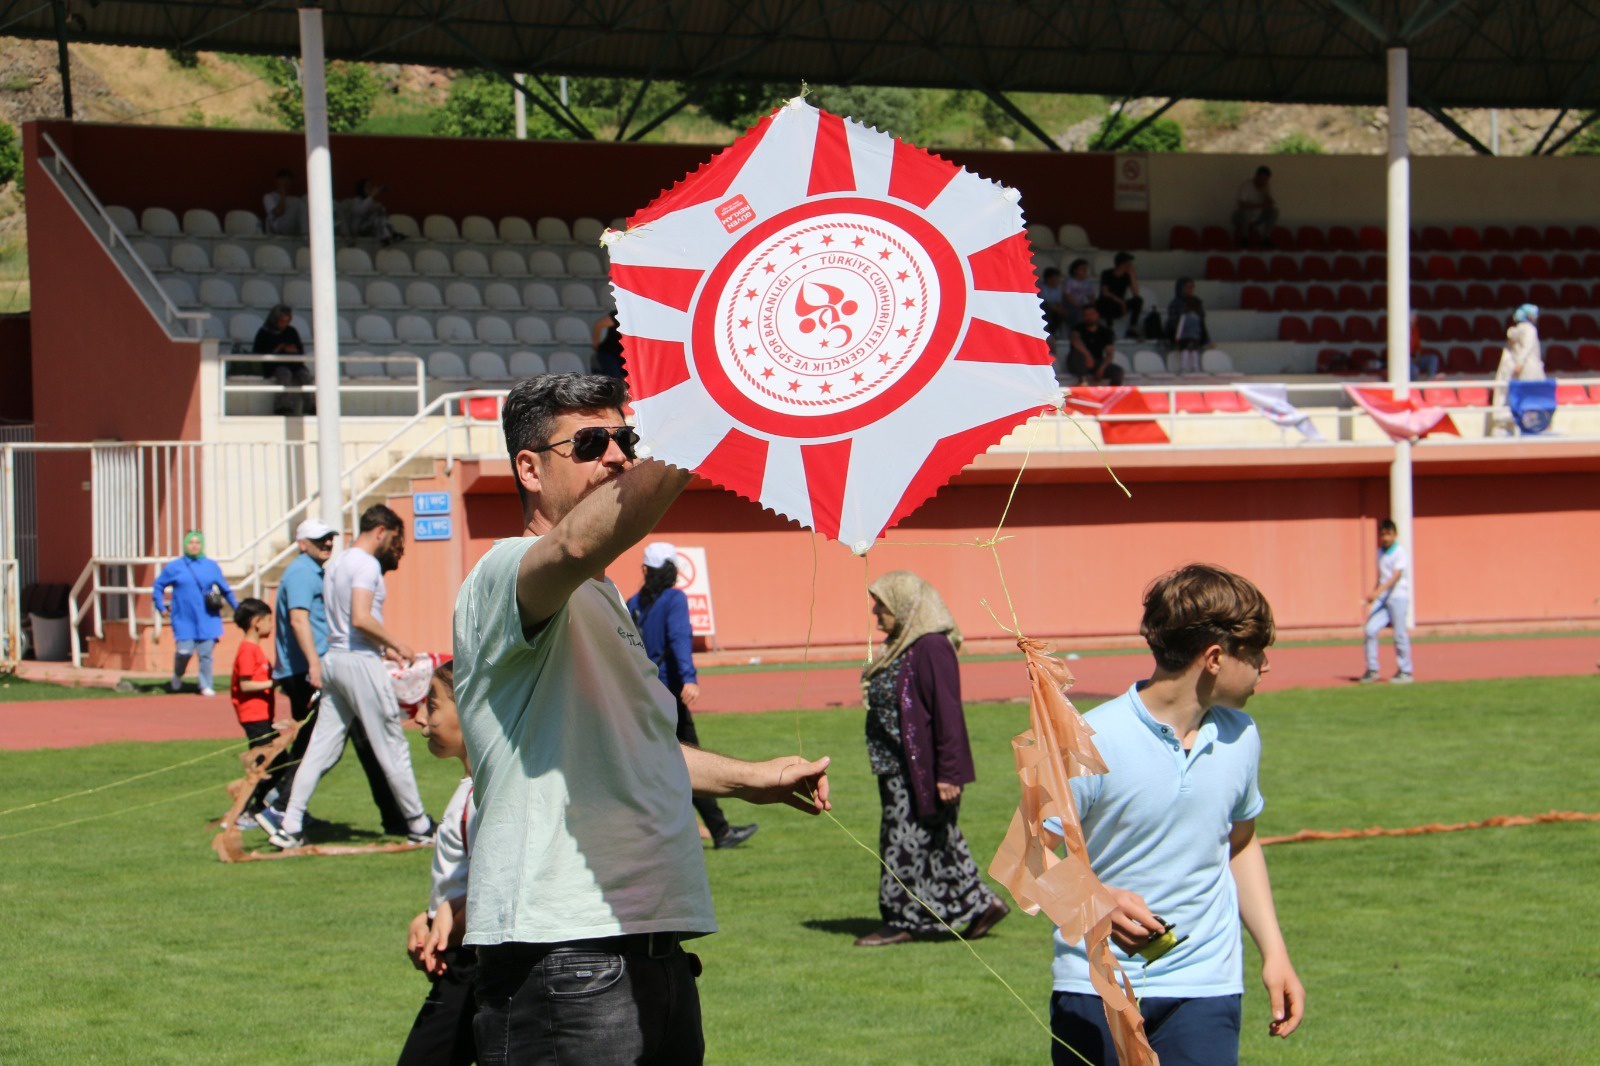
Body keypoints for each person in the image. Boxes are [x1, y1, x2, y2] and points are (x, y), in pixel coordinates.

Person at [453, 373, 831, 1064]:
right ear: (529, 469)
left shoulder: (601, 597)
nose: (618, 456)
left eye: (626, 440)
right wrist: (714, 417)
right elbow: (573, 546)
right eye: (589, 444)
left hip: (648, 948)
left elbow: (634, 746)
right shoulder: (504, 569)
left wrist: (752, 778)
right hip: (564, 952)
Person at [1049, 564, 1304, 1065]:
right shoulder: (1089, 738)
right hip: (1096, 986)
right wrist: (1093, 900)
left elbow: (1240, 843)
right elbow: (1028, 856)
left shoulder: (1242, 736)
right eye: (1255, 652)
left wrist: (1275, 953)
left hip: (1206, 988)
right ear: (1215, 658)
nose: (1266, 666)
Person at [853, 571, 1008, 948]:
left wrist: (949, 774)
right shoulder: (901, 646)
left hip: (921, 772)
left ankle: (902, 919)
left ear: (905, 605)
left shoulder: (932, 647)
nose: (875, 612)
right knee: (936, 843)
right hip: (898, 770)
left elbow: (947, 713)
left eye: (881, 604)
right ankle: (979, 905)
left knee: (902, 843)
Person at [265, 505, 434, 849]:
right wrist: (396, 644)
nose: (393, 546)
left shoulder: (336, 563)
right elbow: (360, 617)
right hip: (358, 662)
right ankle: (419, 824)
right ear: (381, 531)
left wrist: (383, 647)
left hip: (335, 659)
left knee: (320, 748)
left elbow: (347, 622)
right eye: (394, 538)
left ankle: (290, 824)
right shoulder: (366, 564)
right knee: (392, 743)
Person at [629, 541, 758, 851]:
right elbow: (679, 638)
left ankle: (707, 829)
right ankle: (718, 832)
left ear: (645, 569)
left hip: (644, 693)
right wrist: (689, 677)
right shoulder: (674, 599)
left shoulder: (633, 603)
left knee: (661, 762)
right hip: (670, 693)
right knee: (690, 762)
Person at [400, 660, 479, 1066]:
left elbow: (491, 891)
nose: (419, 719)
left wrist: (441, 927)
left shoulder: (483, 796)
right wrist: (429, 916)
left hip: (473, 967)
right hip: (462, 960)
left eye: (431, 705)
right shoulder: (470, 789)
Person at [153, 531, 238, 697]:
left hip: (208, 618)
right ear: (185, 545)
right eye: (190, 542)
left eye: (197, 542)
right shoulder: (175, 566)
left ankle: (205, 684)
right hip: (184, 618)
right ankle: (178, 674)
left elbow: (225, 589)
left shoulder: (211, 566)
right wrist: (161, 606)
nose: (194, 546)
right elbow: (158, 585)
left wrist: (237, 608)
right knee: (184, 652)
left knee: (206, 654)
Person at [227, 597, 279, 830]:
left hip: (262, 715)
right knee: (265, 764)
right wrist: (273, 683)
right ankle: (248, 811)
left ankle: (265, 804)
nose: (271, 625)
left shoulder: (255, 649)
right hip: (254, 716)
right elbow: (245, 684)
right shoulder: (247, 650)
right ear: (257, 622)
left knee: (275, 761)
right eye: (269, 620)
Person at [1359, 518, 1413, 684]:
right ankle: (1372, 670)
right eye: (1383, 535)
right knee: (1370, 629)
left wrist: (1378, 592)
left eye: (1389, 534)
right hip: (1383, 600)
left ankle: (1405, 671)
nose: (1386, 538)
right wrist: (1374, 594)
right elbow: (1381, 578)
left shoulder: (1400, 553)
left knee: (1399, 635)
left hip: (1398, 597)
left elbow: (1395, 576)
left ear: (1395, 534)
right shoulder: (1380, 553)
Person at [1490, 304, 1546, 435]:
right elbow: (1526, 348)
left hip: (1522, 368)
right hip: (1528, 369)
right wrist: (1519, 364)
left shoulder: (1516, 330)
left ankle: (1526, 426)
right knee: (1528, 398)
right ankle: (1526, 427)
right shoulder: (1528, 330)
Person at [253, 304, 313, 416]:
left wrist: (293, 350)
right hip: (274, 365)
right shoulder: (264, 332)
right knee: (284, 374)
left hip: (293, 364)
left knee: (305, 375)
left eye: (287, 321)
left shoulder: (291, 331)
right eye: (282, 321)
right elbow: (257, 351)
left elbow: (300, 350)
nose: (284, 324)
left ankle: (310, 406)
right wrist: (278, 349)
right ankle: (283, 407)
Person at [1068, 307, 1124, 387]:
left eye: (1091, 314)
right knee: (1077, 354)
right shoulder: (1077, 328)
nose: (1089, 317)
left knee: (1118, 371)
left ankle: (1112, 392)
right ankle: (1083, 381)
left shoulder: (1105, 331)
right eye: (1086, 315)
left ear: (1097, 315)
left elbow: (1109, 353)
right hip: (1079, 362)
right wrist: (1087, 356)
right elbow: (1076, 341)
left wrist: (1102, 368)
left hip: (1096, 362)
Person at [1166, 278, 1210, 376]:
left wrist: (1205, 340)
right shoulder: (1175, 304)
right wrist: (1176, 337)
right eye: (1188, 287)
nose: (1191, 290)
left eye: (1192, 287)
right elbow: (1173, 323)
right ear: (1181, 288)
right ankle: (1183, 367)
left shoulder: (1196, 303)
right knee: (1185, 350)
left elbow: (1202, 323)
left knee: (1194, 351)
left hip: (1195, 335)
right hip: (1182, 335)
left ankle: (1195, 367)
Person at [1097, 252, 1145, 340]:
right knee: (1109, 300)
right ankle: (1109, 328)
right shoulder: (1107, 273)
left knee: (1138, 300)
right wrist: (1121, 302)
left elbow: (1136, 293)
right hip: (1105, 306)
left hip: (1119, 307)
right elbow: (1105, 292)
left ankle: (1132, 328)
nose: (1131, 266)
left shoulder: (1127, 276)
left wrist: (1132, 276)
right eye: (1129, 264)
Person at [1232, 165, 1278, 248]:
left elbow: (1271, 204)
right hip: (1241, 217)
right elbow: (1241, 204)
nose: (1263, 181)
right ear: (1256, 176)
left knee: (1274, 211)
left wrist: (1265, 193)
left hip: (1257, 217)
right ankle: (1244, 238)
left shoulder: (1266, 187)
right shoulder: (1247, 185)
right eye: (1262, 178)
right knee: (1246, 211)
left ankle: (1265, 238)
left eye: (1265, 179)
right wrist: (1259, 206)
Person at [351, 178, 399, 245]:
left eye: (371, 187)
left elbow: (383, 215)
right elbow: (360, 211)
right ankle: (390, 233)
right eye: (367, 187)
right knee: (376, 217)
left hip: (372, 229)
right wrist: (372, 197)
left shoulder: (371, 201)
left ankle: (387, 236)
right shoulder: (356, 201)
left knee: (379, 214)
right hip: (359, 230)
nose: (370, 189)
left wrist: (380, 208)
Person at [263, 167, 307, 237]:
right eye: (283, 179)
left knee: (305, 199)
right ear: (278, 180)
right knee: (300, 204)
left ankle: (306, 234)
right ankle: (305, 234)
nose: (285, 183)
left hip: (294, 227)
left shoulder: (294, 199)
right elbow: (279, 212)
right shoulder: (269, 197)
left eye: (288, 180)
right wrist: (283, 194)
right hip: (279, 226)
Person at [592, 308, 627, 379]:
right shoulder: (620, 313)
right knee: (616, 378)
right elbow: (599, 325)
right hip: (609, 353)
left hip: (624, 356)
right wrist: (595, 343)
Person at [1063, 259, 1098, 326]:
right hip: (1070, 306)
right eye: (1082, 269)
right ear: (1075, 270)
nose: (1085, 271)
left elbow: (1091, 295)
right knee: (1079, 313)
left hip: (1081, 305)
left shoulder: (1086, 282)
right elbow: (1067, 296)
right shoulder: (1069, 282)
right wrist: (1078, 305)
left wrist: (1093, 306)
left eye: (1085, 269)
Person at [1039, 267, 1071, 337]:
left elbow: (1058, 303)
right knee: (1047, 310)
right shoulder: (1041, 288)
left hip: (1055, 309)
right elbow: (1044, 302)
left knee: (1063, 314)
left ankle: (1055, 333)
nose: (1058, 280)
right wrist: (1057, 309)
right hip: (1043, 309)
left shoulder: (1057, 289)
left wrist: (1062, 310)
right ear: (1049, 279)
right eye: (1056, 278)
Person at [1409, 311, 1442, 380]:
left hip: (1414, 358)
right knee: (1415, 370)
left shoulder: (1415, 329)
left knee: (1433, 358)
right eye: (1414, 317)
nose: (1416, 319)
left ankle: (1431, 377)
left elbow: (1417, 346)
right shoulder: (1402, 330)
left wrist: (1417, 356)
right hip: (1406, 360)